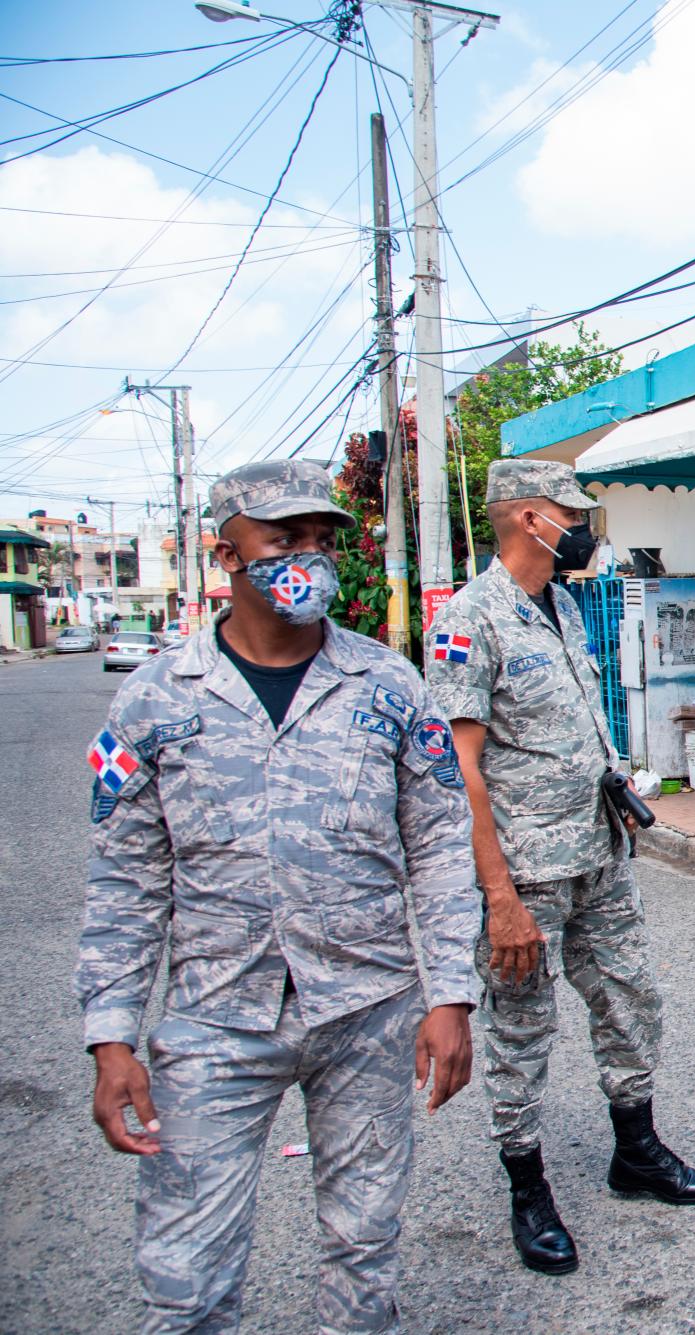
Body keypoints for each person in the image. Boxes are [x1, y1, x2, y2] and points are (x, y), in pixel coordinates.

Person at [76, 459, 480, 1334]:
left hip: (367, 1009)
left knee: (365, 1246)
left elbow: (441, 847)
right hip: (215, 1018)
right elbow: (125, 882)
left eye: (323, 539)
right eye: (285, 538)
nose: (311, 556)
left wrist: (452, 993)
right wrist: (110, 1037)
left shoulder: (390, 686)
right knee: (186, 1273)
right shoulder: (152, 699)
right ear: (227, 554)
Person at [425, 459, 695, 1278]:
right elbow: (459, 771)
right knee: (522, 1028)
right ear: (529, 518)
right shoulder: (468, 620)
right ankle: (528, 1186)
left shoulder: (565, 606)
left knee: (631, 996)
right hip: (526, 874)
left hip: (598, 852)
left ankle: (636, 1150)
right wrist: (498, 897)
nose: (586, 527)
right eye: (573, 514)